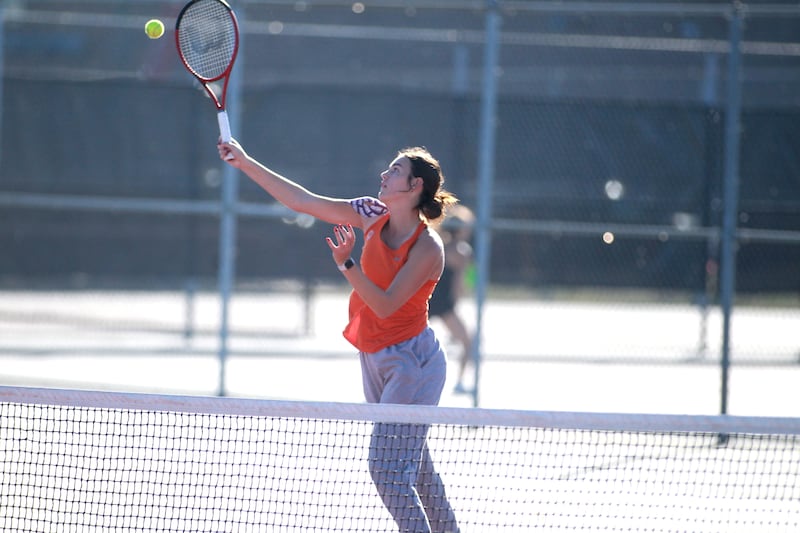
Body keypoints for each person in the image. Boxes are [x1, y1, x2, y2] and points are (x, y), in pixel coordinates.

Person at [218, 139, 460, 533]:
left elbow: (385, 305)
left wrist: (348, 264)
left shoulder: (429, 248)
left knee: (386, 471)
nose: (385, 174)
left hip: (413, 363)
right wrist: (245, 163)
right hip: (375, 355)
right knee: (416, 471)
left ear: (415, 187)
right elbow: (304, 201)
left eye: (395, 171)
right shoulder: (370, 212)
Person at [429, 205, 475, 394]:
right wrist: (455, 306)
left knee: (406, 341)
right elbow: (460, 285)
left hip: (427, 301)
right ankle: (460, 382)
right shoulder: (462, 252)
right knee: (467, 341)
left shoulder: (436, 244)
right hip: (443, 304)